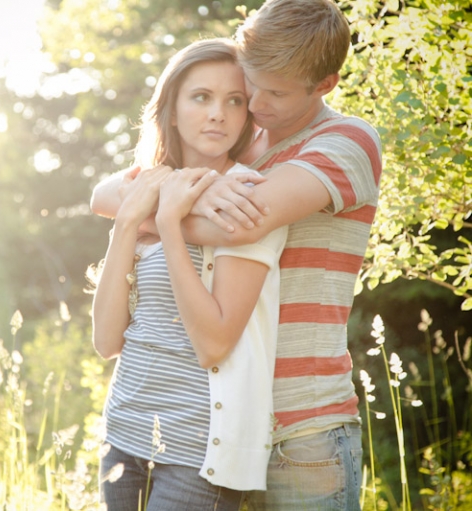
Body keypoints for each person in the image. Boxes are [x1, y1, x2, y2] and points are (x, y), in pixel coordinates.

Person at [91, 0, 383, 509]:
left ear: (324, 85)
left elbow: (241, 223)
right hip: (219, 418)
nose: (255, 101)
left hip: (302, 428)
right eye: (252, 81)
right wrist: (189, 189)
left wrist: (168, 203)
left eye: (276, 91)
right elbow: (104, 193)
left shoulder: (344, 143)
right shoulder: (242, 144)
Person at [91, 37, 288, 511]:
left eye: (234, 101)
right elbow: (106, 341)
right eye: (202, 97)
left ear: (246, 116)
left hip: (199, 453)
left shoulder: (248, 195)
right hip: (124, 432)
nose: (218, 113)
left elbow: (215, 343)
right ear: (173, 110)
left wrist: (168, 227)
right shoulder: (145, 186)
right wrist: (126, 224)